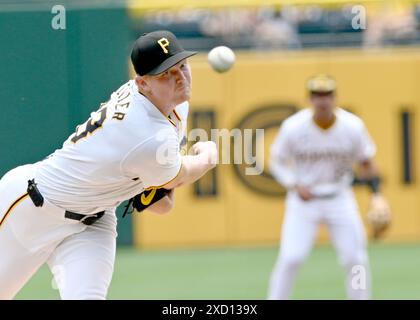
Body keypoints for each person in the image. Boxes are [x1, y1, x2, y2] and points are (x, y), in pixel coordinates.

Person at [0, 30, 217, 300]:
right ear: (142, 84)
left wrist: (150, 183)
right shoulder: (145, 132)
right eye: (165, 74)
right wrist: (207, 156)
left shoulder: (170, 104)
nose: (180, 78)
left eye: (182, 66)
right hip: (32, 208)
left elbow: (161, 203)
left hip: (93, 222)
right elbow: (178, 177)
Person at [267, 74, 391, 300]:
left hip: (340, 197)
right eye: (316, 95)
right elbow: (277, 161)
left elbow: (367, 162)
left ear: (335, 98)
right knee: (291, 257)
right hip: (304, 201)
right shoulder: (293, 126)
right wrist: (293, 183)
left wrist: (377, 194)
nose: (322, 101)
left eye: (326, 95)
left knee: (356, 259)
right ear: (309, 99)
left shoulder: (352, 126)